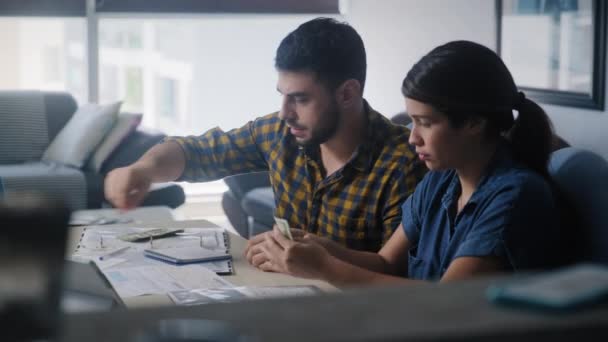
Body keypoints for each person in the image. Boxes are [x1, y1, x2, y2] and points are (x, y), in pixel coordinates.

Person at [247, 40, 562, 286]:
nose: (413, 138)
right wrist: (321, 247)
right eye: (412, 122)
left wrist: (324, 267)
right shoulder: (443, 179)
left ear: (473, 123)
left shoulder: (515, 196)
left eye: (425, 122)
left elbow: (447, 304)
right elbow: (385, 262)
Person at [104, 18, 425, 254]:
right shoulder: (279, 132)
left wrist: (320, 260)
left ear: (347, 93)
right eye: (282, 95)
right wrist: (143, 170)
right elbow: (198, 153)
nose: (285, 112)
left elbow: (396, 272)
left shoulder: (403, 163)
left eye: (300, 99)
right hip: (281, 299)